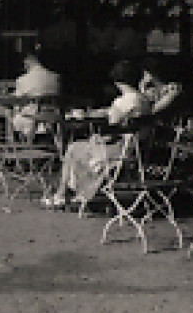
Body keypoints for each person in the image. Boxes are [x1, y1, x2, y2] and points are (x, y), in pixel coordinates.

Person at [41, 60, 146, 209]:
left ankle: (62, 194)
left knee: (73, 148)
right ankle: (69, 194)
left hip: (117, 151)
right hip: (135, 151)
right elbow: (116, 114)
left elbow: (112, 122)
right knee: (79, 147)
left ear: (117, 81)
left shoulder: (123, 101)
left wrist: (87, 116)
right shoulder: (142, 99)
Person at [12, 51, 61, 139]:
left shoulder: (22, 80)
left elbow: (17, 100)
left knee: (6, 112)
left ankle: (10, 144)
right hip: (53, 116)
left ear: (27, 62)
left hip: (31, 117)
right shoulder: (55, 77)